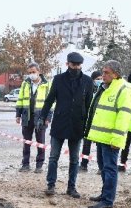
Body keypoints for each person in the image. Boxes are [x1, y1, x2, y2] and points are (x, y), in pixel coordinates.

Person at [38, 52, 93, 198]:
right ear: (67, 64)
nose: (76, 67)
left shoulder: (87, 81)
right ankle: (51, 185)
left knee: (74, 159)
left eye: (79, 65)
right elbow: (49, 100)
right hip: (60, 123)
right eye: (73, 64)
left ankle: (71, 187)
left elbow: (89, 105)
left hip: (77, 125)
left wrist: (88, 125)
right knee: (53, 157)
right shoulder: (58, 79)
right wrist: (42, 116)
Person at [85, 60, 131, 208]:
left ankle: (108, 200)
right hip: (102, 137)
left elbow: (123, 117)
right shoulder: (105, 88)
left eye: (107, 72)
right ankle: (104, 194)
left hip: (111, 139)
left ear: (116, 74)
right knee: (103, 168)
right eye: (103, 71)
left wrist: (117, 139)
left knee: (110, 168)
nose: (103, 75)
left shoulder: (124, 89)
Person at [15, 63, 51, 172]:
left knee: (40, 142)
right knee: (26, 142)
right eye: (30, 72)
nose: (31, 74)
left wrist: (48, 117)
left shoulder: (47, 85)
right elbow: (20, 99)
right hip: (27, 116)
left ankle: (39, 165)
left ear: (39, 72)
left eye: (33, 72)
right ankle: (25, 164)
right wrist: (18, 114)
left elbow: (51, 102)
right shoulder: (25, 84)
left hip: (41, 117)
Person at [80, 70, 104, 173]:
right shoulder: (87, 89)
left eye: (101, 79)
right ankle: (84, 165)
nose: (100, 81)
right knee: (86, 144)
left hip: (99, 120)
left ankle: (101, 167)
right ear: (92, 80)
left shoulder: (104, 90)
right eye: (97, 79)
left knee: (100, 146)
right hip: (89, 120)